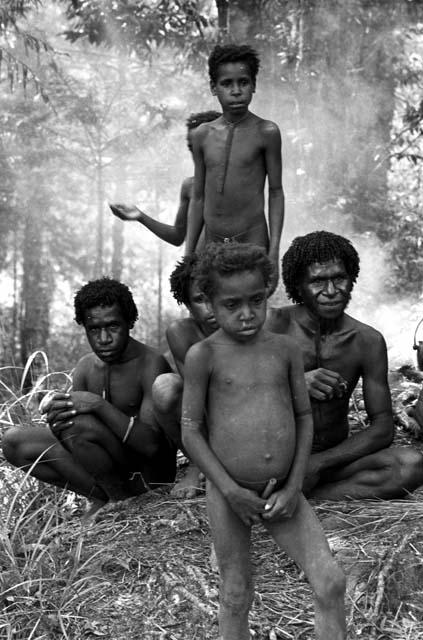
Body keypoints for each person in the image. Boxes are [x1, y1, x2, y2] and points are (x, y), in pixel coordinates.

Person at [181, 242, 346, 640]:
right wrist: (230, 490)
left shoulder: (285, 350)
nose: (246, 313)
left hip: (284, 491)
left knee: (330, 580)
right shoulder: (204, 355)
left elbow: (304, 417)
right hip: (228, 493)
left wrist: (293, 485)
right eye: (232, 304)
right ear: (210, 302)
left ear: (269, 291)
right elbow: (190, 429)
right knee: (236, 593)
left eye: (256, 300)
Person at [266, 230, 423, 500]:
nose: (331, 291)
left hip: (331, 460)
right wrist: (295, 384)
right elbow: (231, 394)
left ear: (351, 278)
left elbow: (383, 427)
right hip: (271, 458)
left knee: (410, 466)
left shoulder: (367, 340)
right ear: (298, 284)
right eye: (317, 281)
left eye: (339, 278)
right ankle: (291, 490)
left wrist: (319, 463)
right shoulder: (272, 327)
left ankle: (313, 496)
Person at [2, 278, 177, 514]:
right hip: (111, 475)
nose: (104, 339)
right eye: (94, 329)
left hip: (148, 476)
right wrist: (57, 414)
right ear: (84, 326)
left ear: (129, 322)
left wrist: (98, 405)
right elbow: (74, 435)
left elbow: (152, 447)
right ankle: (108, 498)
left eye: (113, 327)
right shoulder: (86, 367)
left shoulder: (150, 363)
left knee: (79, 423)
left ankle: (121, 501)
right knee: (14, 441)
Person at [184, 44, 284, 294]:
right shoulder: (201, 135)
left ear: (254, 85)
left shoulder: (266, 132)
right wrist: (188, 255)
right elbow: (198, 197)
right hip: (213, 241)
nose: (236, 91)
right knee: (216, 308)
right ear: (213, 88)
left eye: (244, 82)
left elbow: (275, 193)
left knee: (251, 309)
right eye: (227, 84)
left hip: (253, 239)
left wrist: (274, 252)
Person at [152, 254, 218, 497]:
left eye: (215, 295)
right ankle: (199, 462)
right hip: (212, 419)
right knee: (165, 387)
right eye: (200, 300)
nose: (211, 308)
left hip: (254, 421)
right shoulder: (182, 333)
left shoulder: (251, 322)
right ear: (188, 305)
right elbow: (196, 400)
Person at [109, 110, 220, 248]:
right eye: (191, 148)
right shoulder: (190, 186)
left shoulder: (245, 183)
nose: (197, 154)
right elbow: (178, 236)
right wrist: (140, 216)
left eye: (203, 147)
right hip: (197, 265)